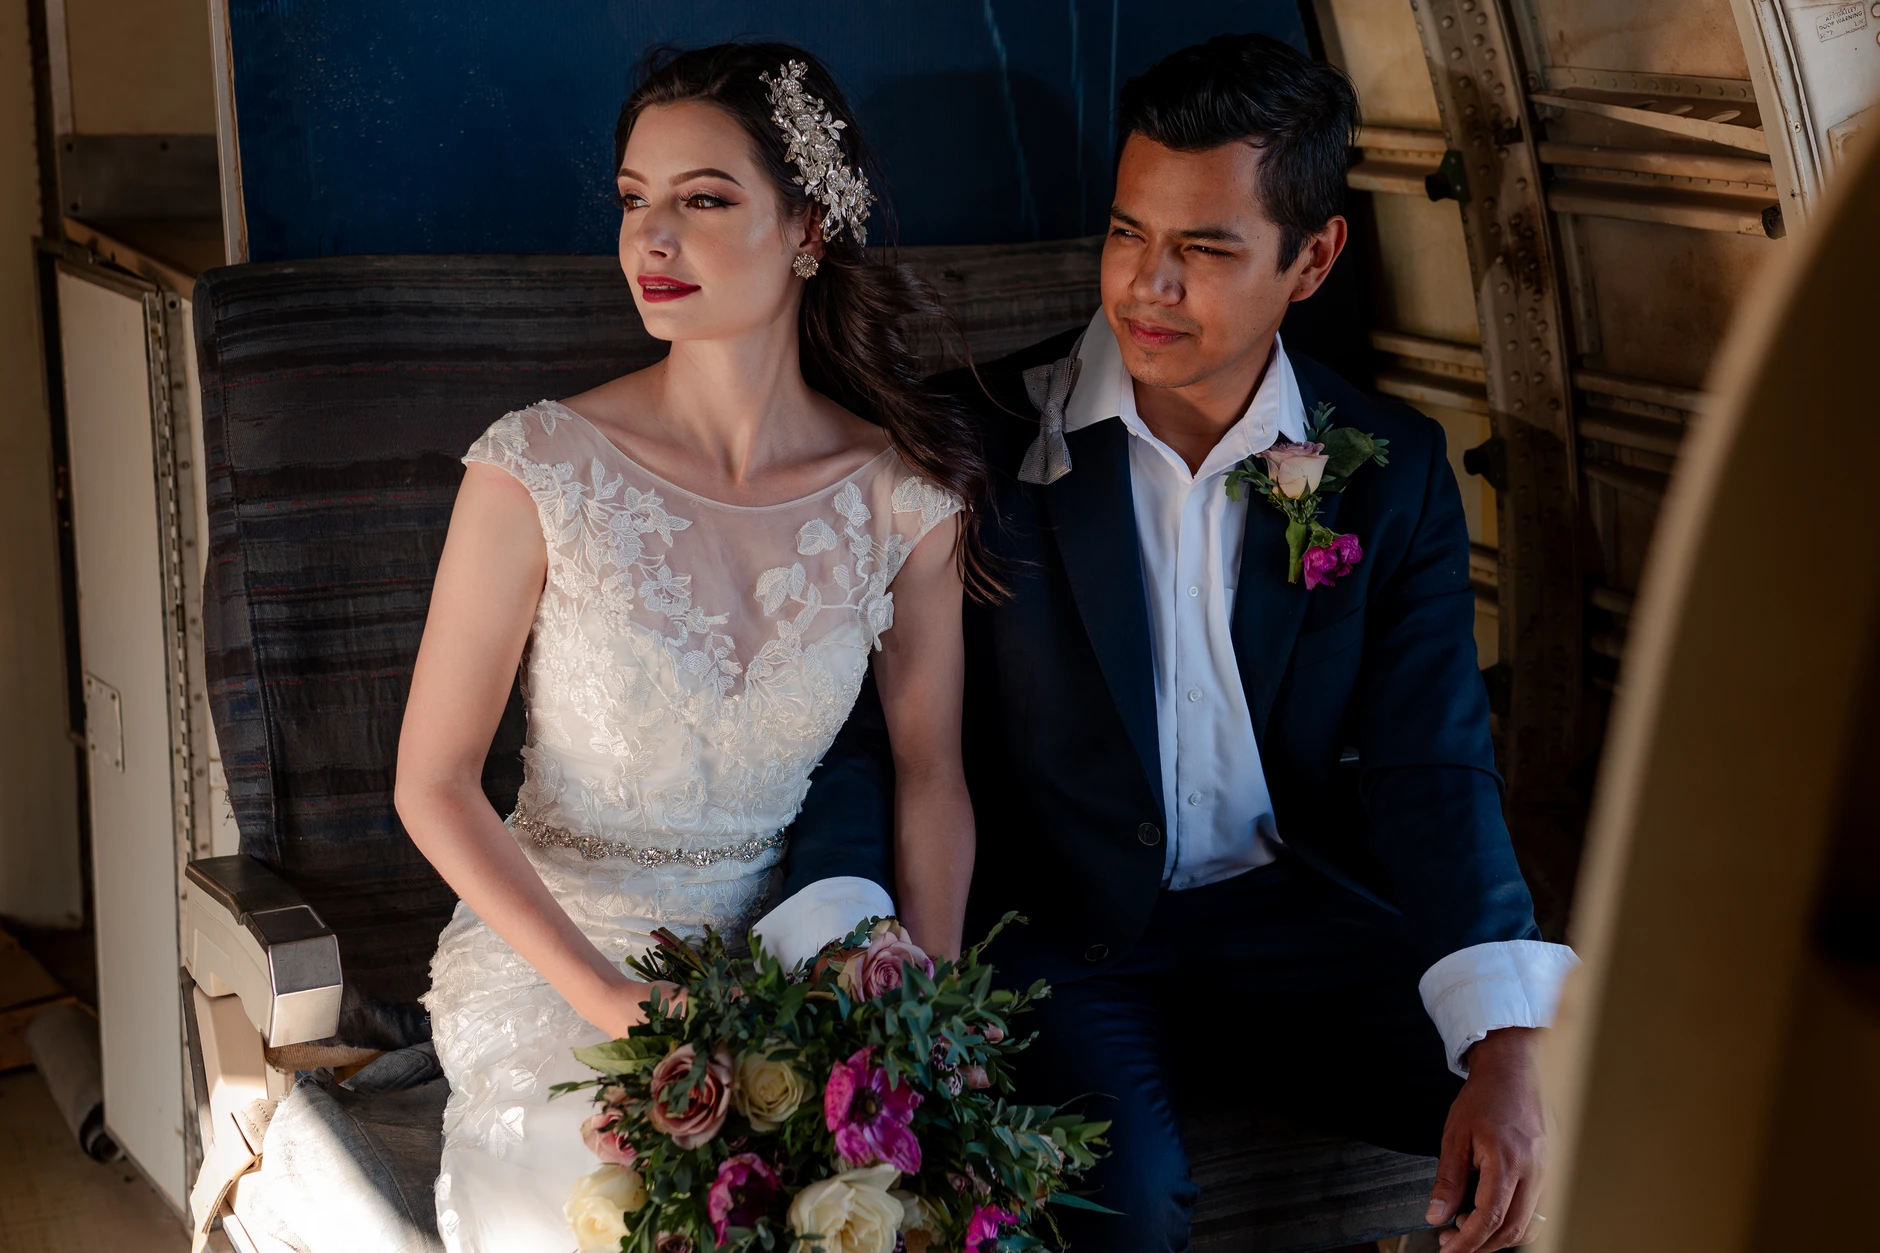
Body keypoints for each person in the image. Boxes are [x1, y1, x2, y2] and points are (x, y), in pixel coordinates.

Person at [785, 33, 1578, 1253]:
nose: (1145, 286)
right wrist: (851, 931)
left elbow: (1432, 763)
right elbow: (855, 732)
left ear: (1310, 259)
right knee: (1125, 1204)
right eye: (1125, 233)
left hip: (1293, 916)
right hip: (1059, 936)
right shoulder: (973, 443)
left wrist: (1504, 1036)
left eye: (1202, 249)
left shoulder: (1390, 466)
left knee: (1577, 1114)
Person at [394, 44, 980, 1252]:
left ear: (807, 227)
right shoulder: (536, 468)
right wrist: (612, 1000)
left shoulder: (901, 499)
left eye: (702, 199)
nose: (649, 239)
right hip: (557, 955)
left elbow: (930, 776)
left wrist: (925, 1012)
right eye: (631, 200)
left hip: (779, 954)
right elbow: (433, 783)